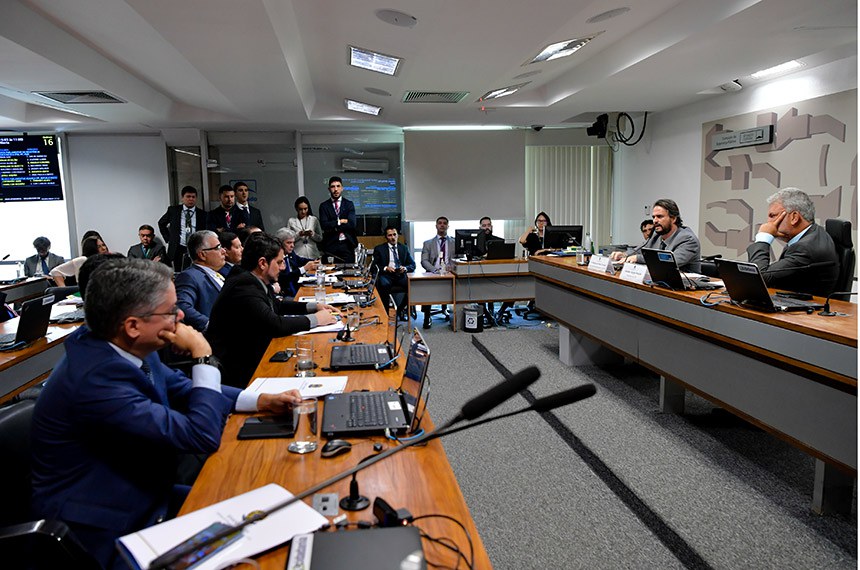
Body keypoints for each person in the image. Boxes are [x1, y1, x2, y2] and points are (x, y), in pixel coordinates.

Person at [30, 258, 303, 570]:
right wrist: (203, 356)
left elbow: (184, 388)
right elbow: (201, 435)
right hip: (107, 532)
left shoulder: (122, 347)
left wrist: (261, 400)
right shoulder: (95, 380)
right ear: (133, 326)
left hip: (146, 492)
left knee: (271, 510)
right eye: (171, 311)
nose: (181, 316)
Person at [207, 232, 337, 389]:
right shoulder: (243, 285)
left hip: (254, 356)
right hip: (242, 372)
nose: (283, 267)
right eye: (279, 262)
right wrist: (317, 319)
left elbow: (277, 305)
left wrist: (315, 307)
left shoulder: (252, 278)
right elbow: (275, 324)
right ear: (262, 263)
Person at [746, 187, 839, 297]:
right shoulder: (814, 233)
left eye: (773, 216)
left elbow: (760, 279)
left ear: (794, 217)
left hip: (806, 306)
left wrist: (763, 238)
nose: (768, 223)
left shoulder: (805, 248)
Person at [611, 198, 701, 272]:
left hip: (686, 286)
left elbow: (668, 263)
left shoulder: (688, 239)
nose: (655, 221)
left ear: (673, 219)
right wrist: (624, 255)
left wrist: (638, 258)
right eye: (653, 217)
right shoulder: (656, 236)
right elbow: (638, 251)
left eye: (660, 216)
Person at [174, 230, 226, 332]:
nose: (223, 251)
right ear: (202, 255)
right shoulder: (189, 276)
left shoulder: (217, 273)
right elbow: (182, 306)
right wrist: (209, 325)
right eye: (218, 247)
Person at [157, 186, 206, 271]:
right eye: (188, 196)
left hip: (195, 247)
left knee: (195, 270)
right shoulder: (173, 210)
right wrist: (169, 238)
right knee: (178, 271)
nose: (191, 199)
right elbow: (161, 223)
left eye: (193, 197)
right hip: (178, 247)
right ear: (182, 198)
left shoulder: (203, 214)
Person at [373, 226, 415, 320]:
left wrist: (405, 268)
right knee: (383, 285)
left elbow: (412, 265)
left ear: (397, 235)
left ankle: (400, 310)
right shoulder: (379, 249)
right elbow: (374, 266)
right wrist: (385, 268)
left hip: (400, 274)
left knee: (412, 286)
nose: (393, 237)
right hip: (386, 275)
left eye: (394, 234)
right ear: (386, 237)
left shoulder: (403, 248)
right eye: (390, 235)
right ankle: (385, 313)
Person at [420, 216, 455, 329]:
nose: (442, 225)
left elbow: (460, 258)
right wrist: (434, 270)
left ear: (448, 226)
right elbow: (424, 261)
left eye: (444, 223)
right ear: (436, 226)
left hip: (450, 273)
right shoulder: (428, 243)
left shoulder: (455, 242)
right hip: (433, 273)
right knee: (427, 289)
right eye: (440, 223)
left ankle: (455, 316)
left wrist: (452, 268)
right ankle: (427, 316)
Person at [318, 176, 357, 263]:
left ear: (342, 188)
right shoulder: (324, 206)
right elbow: (324, 225)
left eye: (338, 186)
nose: (336, 189)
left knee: (349, 269)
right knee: (330, 270)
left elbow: (352, 224)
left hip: (347, 244)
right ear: (329, 189)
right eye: (333, 186)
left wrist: (334, 227)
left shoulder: (349, 204)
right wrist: (340, 222)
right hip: (331, 245)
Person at [275, 227, 319, 297]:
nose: (292, 246)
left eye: (293, 242)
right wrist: (304, 269)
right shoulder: (276, 259)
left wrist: (315, 261)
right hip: (286, 294)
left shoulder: (290, 253)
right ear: (280, 244)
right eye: (289, 243)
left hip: (297, 288)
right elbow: (284, 278)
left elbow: (300, 260)